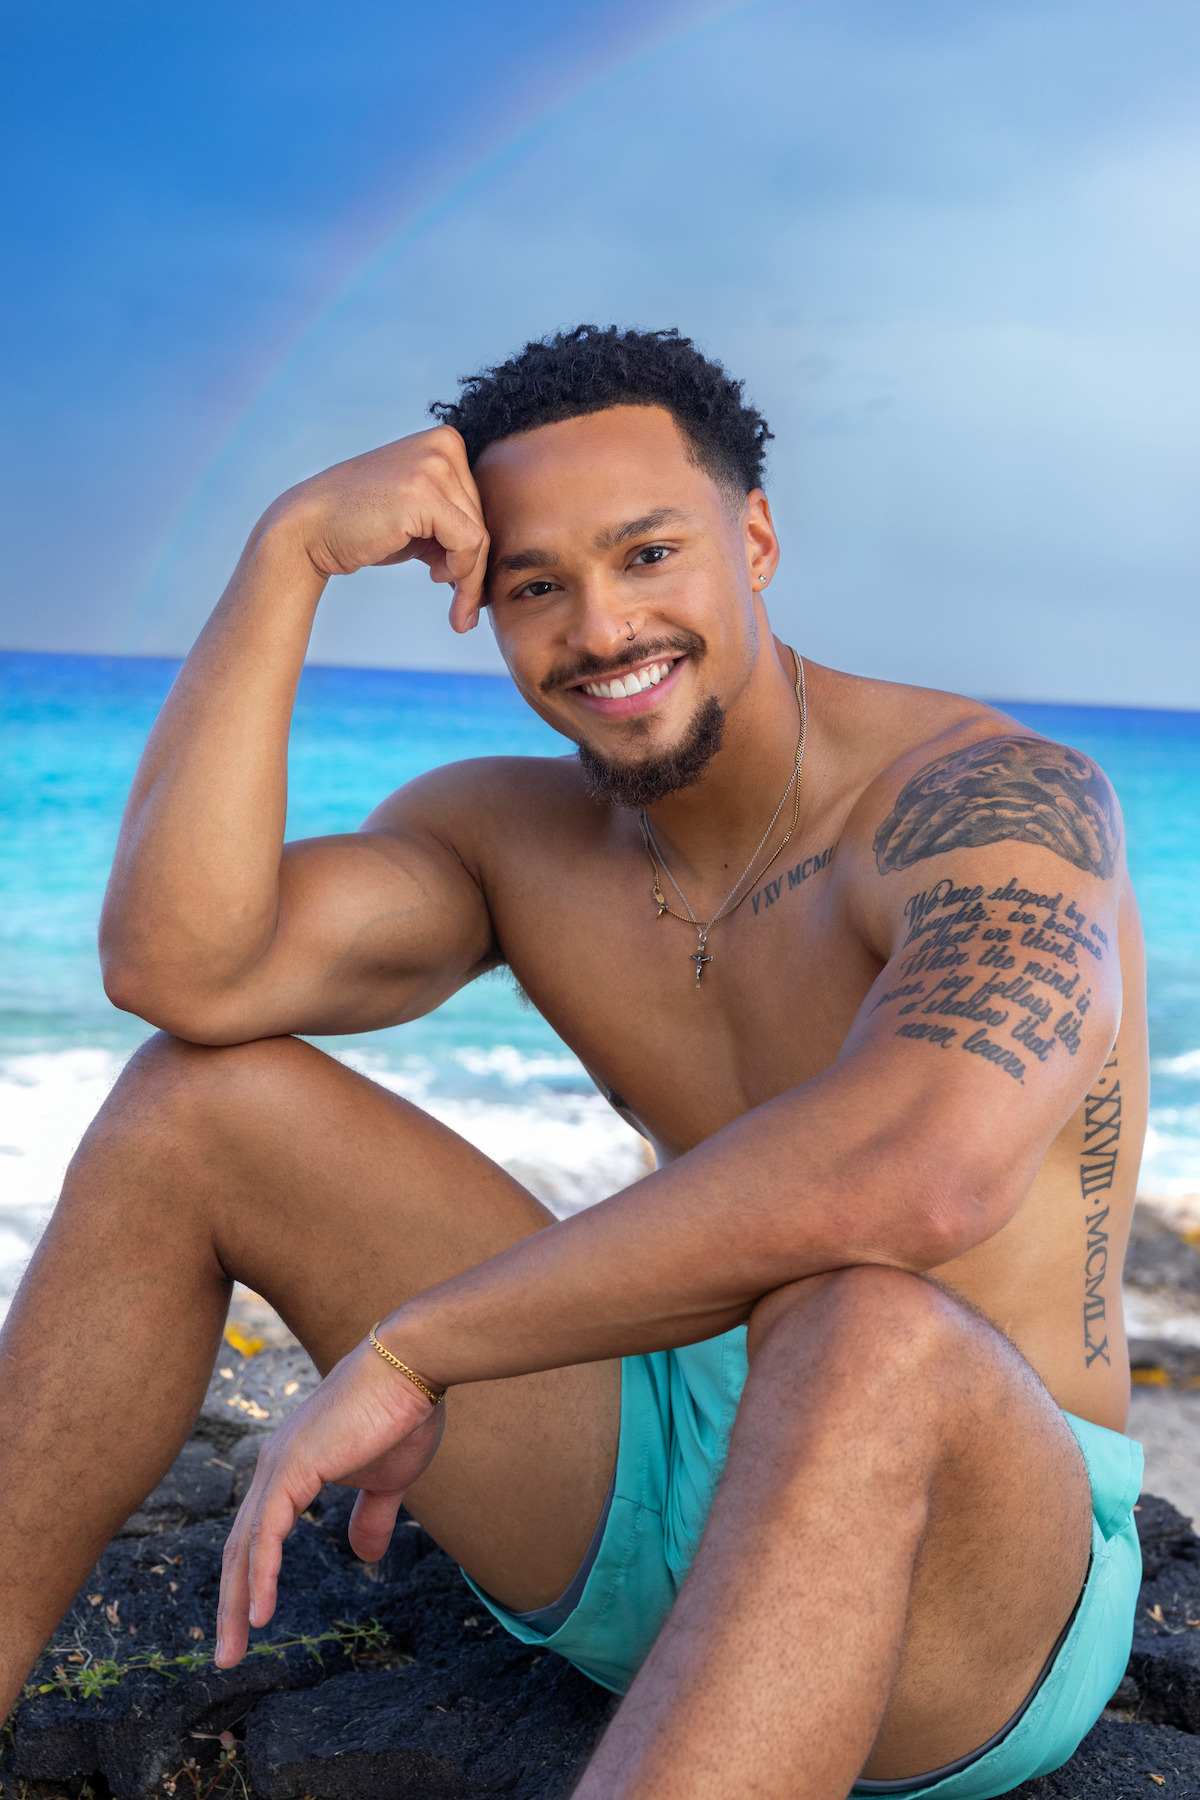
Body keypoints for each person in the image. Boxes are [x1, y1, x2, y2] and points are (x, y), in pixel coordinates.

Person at [0, 326, 1145, 1800]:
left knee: (869, 1327)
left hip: (964, 1564)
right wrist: (282, 557)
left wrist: (422, 1348)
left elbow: (920, 1176)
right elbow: (182, 968)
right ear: (480, 604)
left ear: (756, 538)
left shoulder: (989, 802)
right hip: (650, 1476)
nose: (601, 629)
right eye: (539, 584)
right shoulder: (513, 840)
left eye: (649, 555)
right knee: (192, 1102)